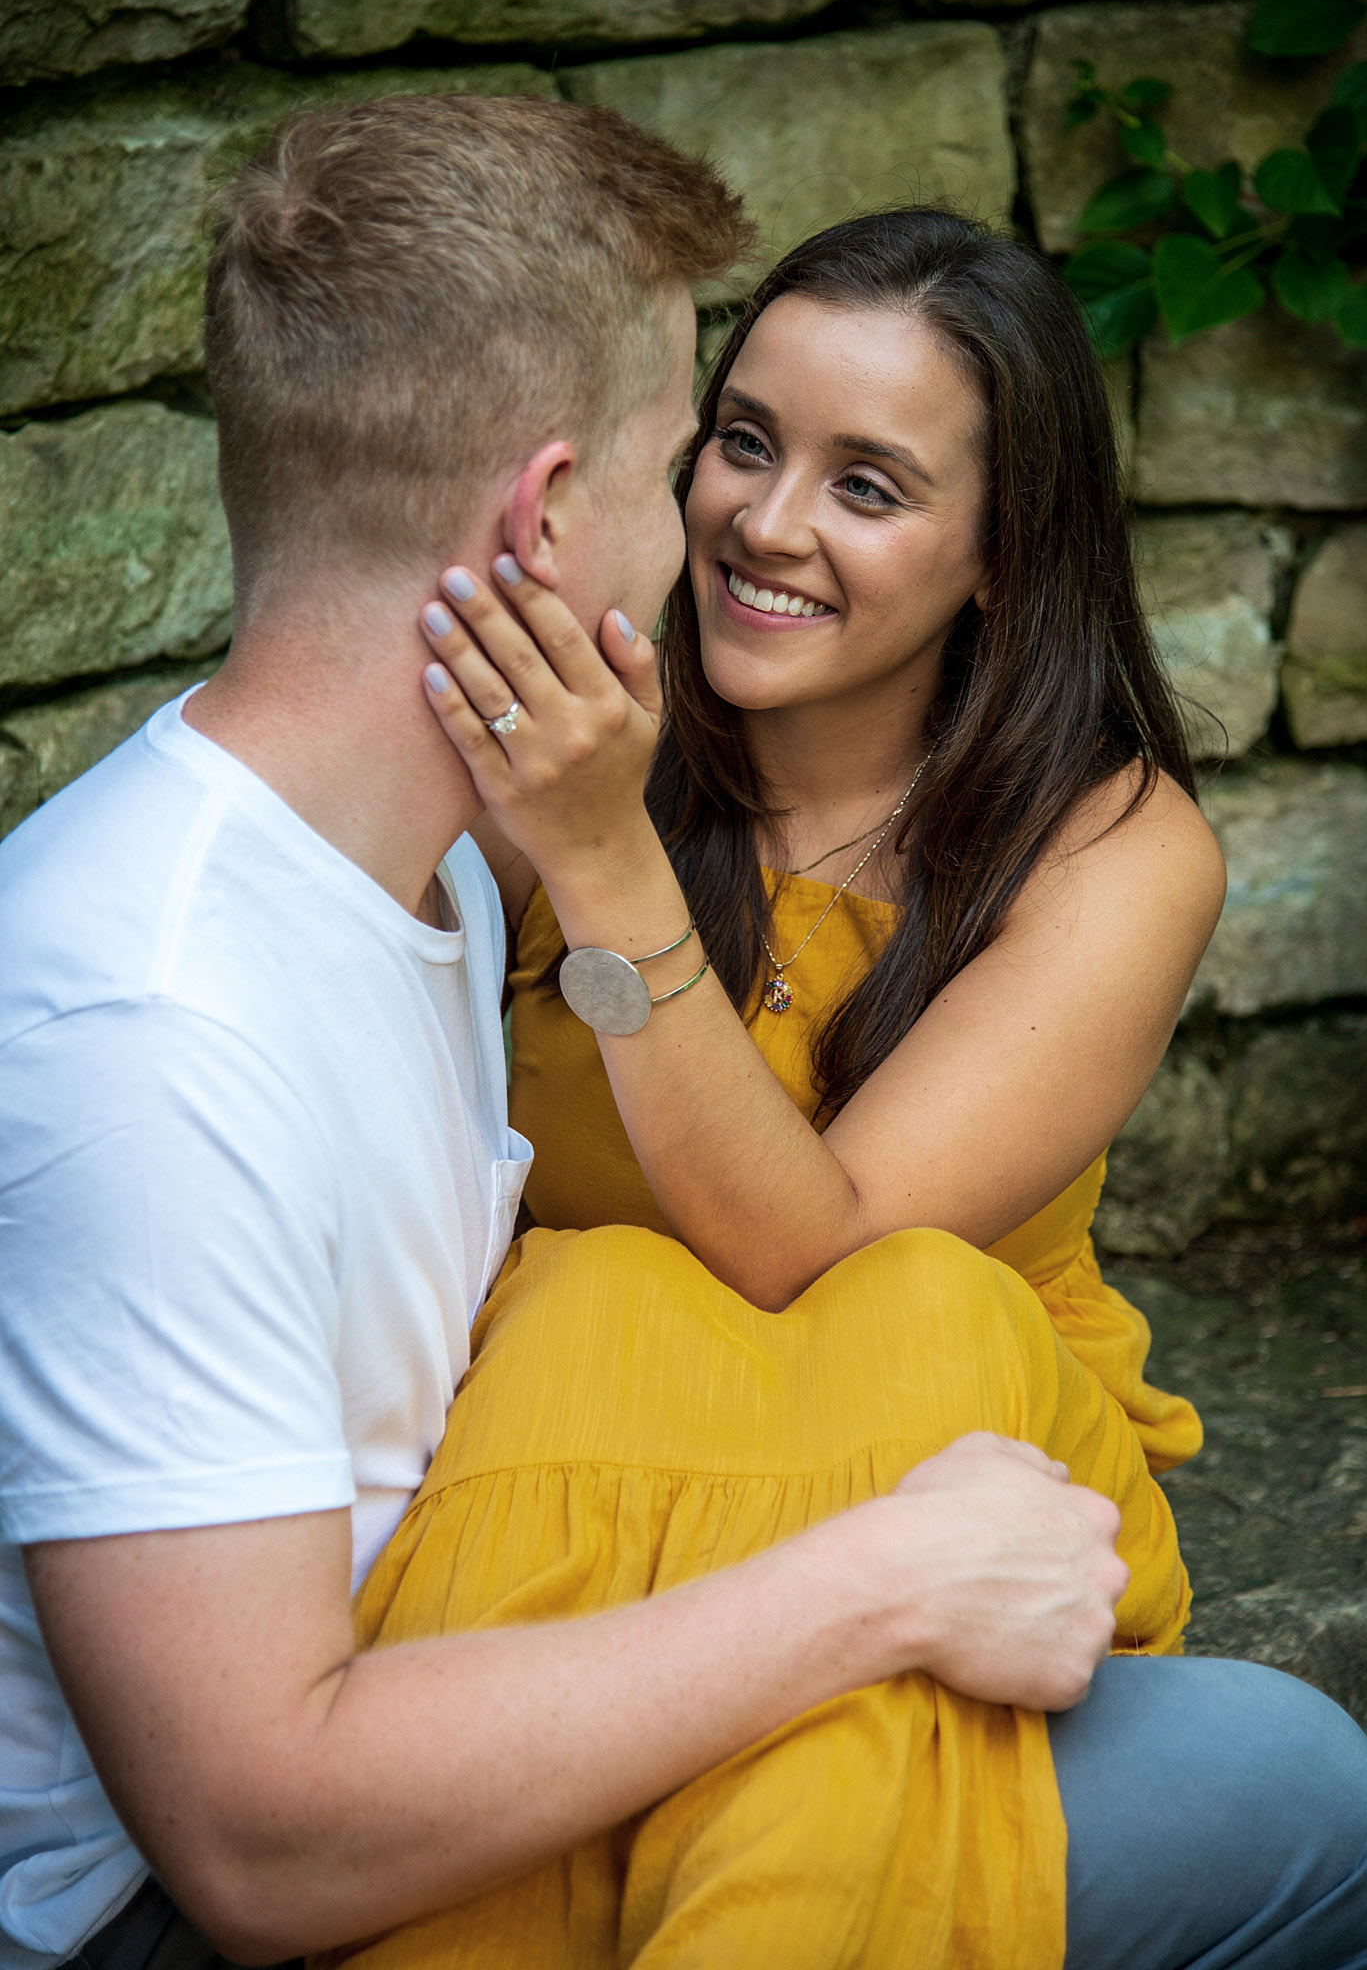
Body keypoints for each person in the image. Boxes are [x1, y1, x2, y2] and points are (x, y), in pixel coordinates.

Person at [0, 97, 1139, 1970]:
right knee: (1299, 1808)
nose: (746, 524)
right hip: (241, 1880)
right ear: (544, 516)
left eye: (865, 485)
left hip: (566, 1584)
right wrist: (877, 1586)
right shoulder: (160, 1024)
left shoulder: (440, 869)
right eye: (709, 448)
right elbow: (262, 1841)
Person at [318, 209, 1367, 1967]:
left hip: (920, 1473)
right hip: (573, 1480)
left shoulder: (1110, 850)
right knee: (592, 1300)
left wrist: (605, 865)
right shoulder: (575, 726)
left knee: (907, 1302)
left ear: (1003, 556)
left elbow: (818, 1252)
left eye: (868, 486)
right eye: (744, 442)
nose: (768, 522)